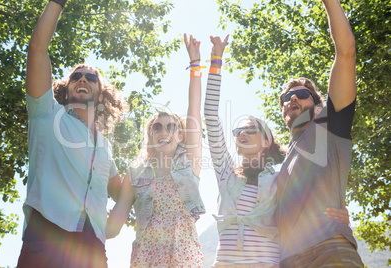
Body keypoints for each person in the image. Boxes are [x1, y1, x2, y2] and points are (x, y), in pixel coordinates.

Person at [204, 35, 351, 268]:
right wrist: (216, 62)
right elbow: (211, 118)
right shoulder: (226, 175)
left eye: (250, 129)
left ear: (266, 141)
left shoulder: (279, 180)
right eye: (237, 131)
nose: (241, 133)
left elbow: (309, 199)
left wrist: (338, 212)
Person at [17, 0, 126, 267]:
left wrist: (114, 227)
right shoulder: (46, 114)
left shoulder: (105, 147)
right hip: (46, 238)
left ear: (101, 94)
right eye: (76, 76)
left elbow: (123, 191)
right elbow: (37, 50)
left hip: (92, 250)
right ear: (66, 90)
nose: (83, 79)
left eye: (91, 77)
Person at [275, 0, 364, 267]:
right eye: (286, 97)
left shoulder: (328, 127)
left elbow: (346, 52)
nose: (292, 99)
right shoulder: (281, 165)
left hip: (329, 252)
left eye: (302, 95)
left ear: (317, 106)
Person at [106, 34, 205, 267]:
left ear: (181, 135)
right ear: (149, 135)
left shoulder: (189, 161)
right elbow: (113, 226)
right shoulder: (135, 173)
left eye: (172, 127)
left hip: (184, 257)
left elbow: (194, 110)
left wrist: (194, 65)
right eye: (157, 127)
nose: (164, 132)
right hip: (146, 258)